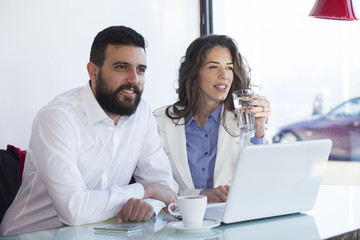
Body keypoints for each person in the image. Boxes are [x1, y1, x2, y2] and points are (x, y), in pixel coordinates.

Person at [0, 26, 178, 236]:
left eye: (141, 69)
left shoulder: (142, 113)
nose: (134, 79)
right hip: (31, 234)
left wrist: (149, 204)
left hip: (101, 233)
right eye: (122, 67)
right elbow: (74, 211)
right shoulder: (57, 118)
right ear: (93, 71)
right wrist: (145, 190)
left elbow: (166, 188)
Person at [154, 34, 271, 203]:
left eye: (229, 68)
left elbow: (260, 180)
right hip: (179, 221)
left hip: (232, 220)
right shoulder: (160, 122)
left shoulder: (243, 120)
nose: (224, 75)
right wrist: (201, 195)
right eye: (213, 67)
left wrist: (259, 126)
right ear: (194, 72)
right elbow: (156, 185)